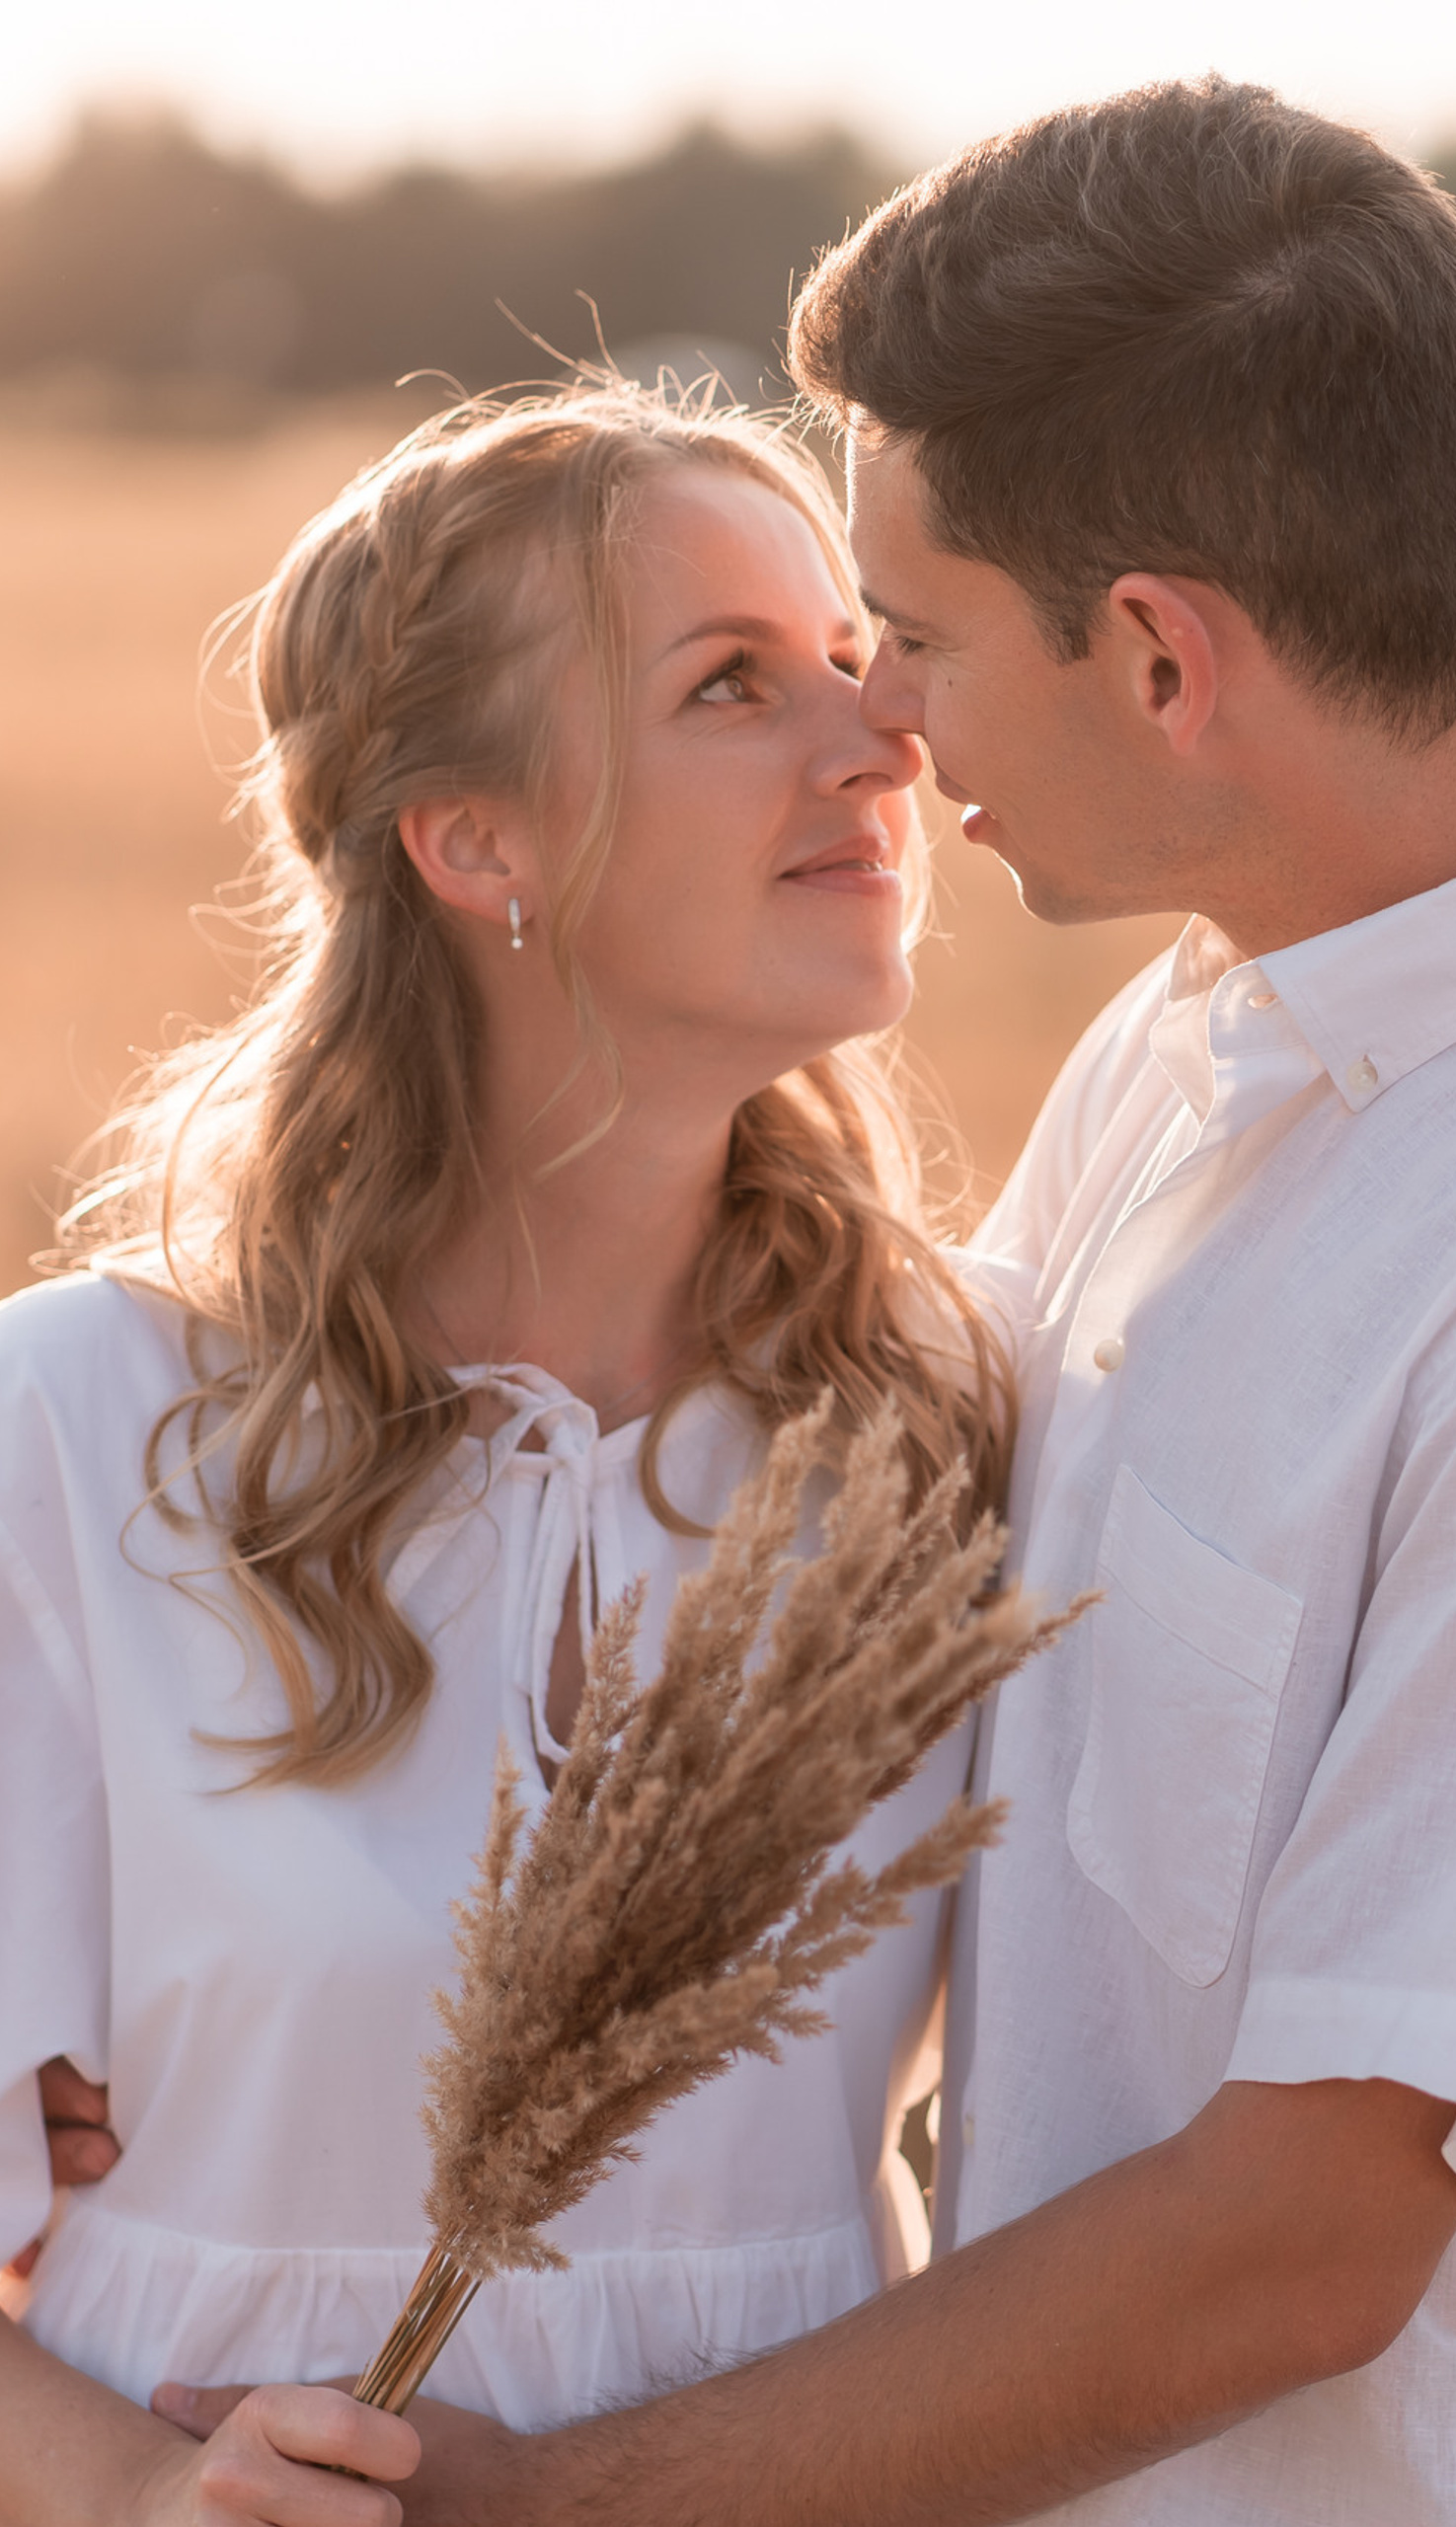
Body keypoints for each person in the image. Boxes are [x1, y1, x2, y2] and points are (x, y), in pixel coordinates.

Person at [177, 77, 1456, 2527]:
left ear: (1156, 659)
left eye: (903, 635)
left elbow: (1303, 2241)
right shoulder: (1219, 1021)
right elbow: (853, 1652)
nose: (875, 722)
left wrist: (543, 2506)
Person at [0, 386, 1018, 2519]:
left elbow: (1237, 1959)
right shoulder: (82, 1428)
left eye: (855, 660)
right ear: (476, 840)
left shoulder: (946, 1412)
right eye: (734, 684)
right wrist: (125, 2492)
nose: (880, 742)